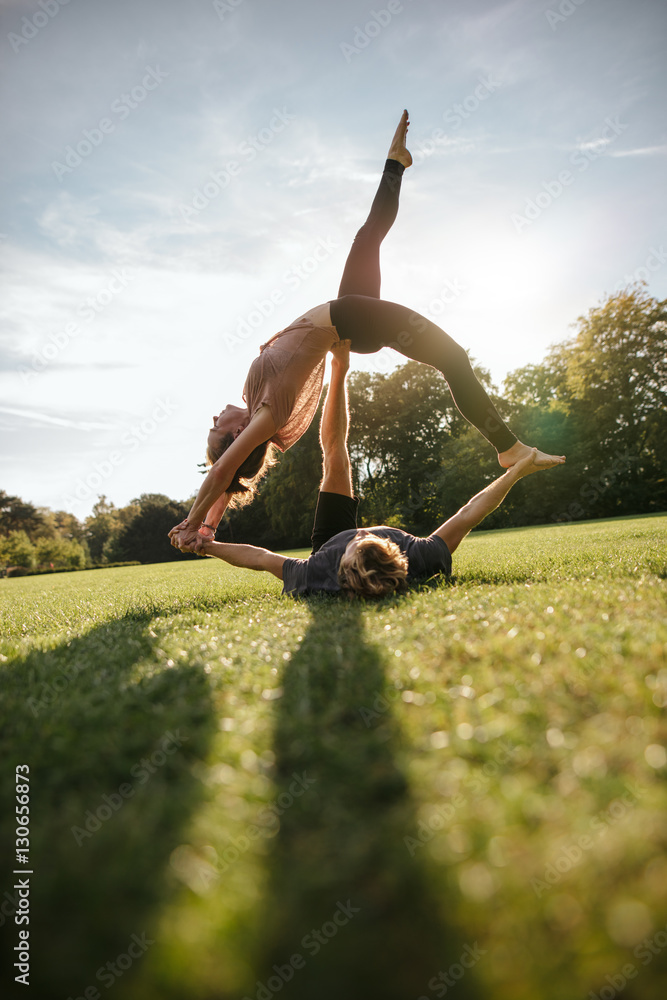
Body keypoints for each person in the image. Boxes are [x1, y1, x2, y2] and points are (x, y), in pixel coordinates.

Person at [169, 110, 564, 554]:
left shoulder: (253, 397)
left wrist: (207, 527)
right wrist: (192, 519)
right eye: (216, 431)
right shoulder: (268, 416)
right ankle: (508, 448)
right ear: (235, 435)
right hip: (351, 320)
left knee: (368, 238)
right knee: (454, 358)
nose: (214, 420)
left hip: (348, 323)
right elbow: (224, 472)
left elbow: (227, 481)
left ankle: (396, 162)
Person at [190, 341, 560, 598]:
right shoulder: (419, 556)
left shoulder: (318, 571)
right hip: (369, 562)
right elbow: (470, 513)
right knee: (338, 456)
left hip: (328, 548)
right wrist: (516, 471)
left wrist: (211, 547)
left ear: (343, 566)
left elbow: (262, 558)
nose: (360, 533)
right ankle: (340, 367)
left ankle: (340, 368)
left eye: (357, 542)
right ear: (392, 549)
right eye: (371, 539)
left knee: (335, 457)